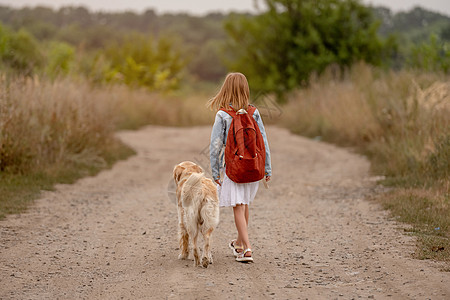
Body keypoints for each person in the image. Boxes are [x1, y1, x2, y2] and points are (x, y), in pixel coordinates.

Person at [208, 72, 272, 263]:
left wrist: (215, 171)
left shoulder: (222, 114)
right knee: (244, 204)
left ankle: (247, 249)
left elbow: (215, 146)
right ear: (246, 89)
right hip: (252, 167)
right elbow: (264, 143)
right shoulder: (254, 112)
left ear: (225, 89)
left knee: (238, 206)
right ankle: (238, 243)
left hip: (234, 169)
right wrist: (266, 168)